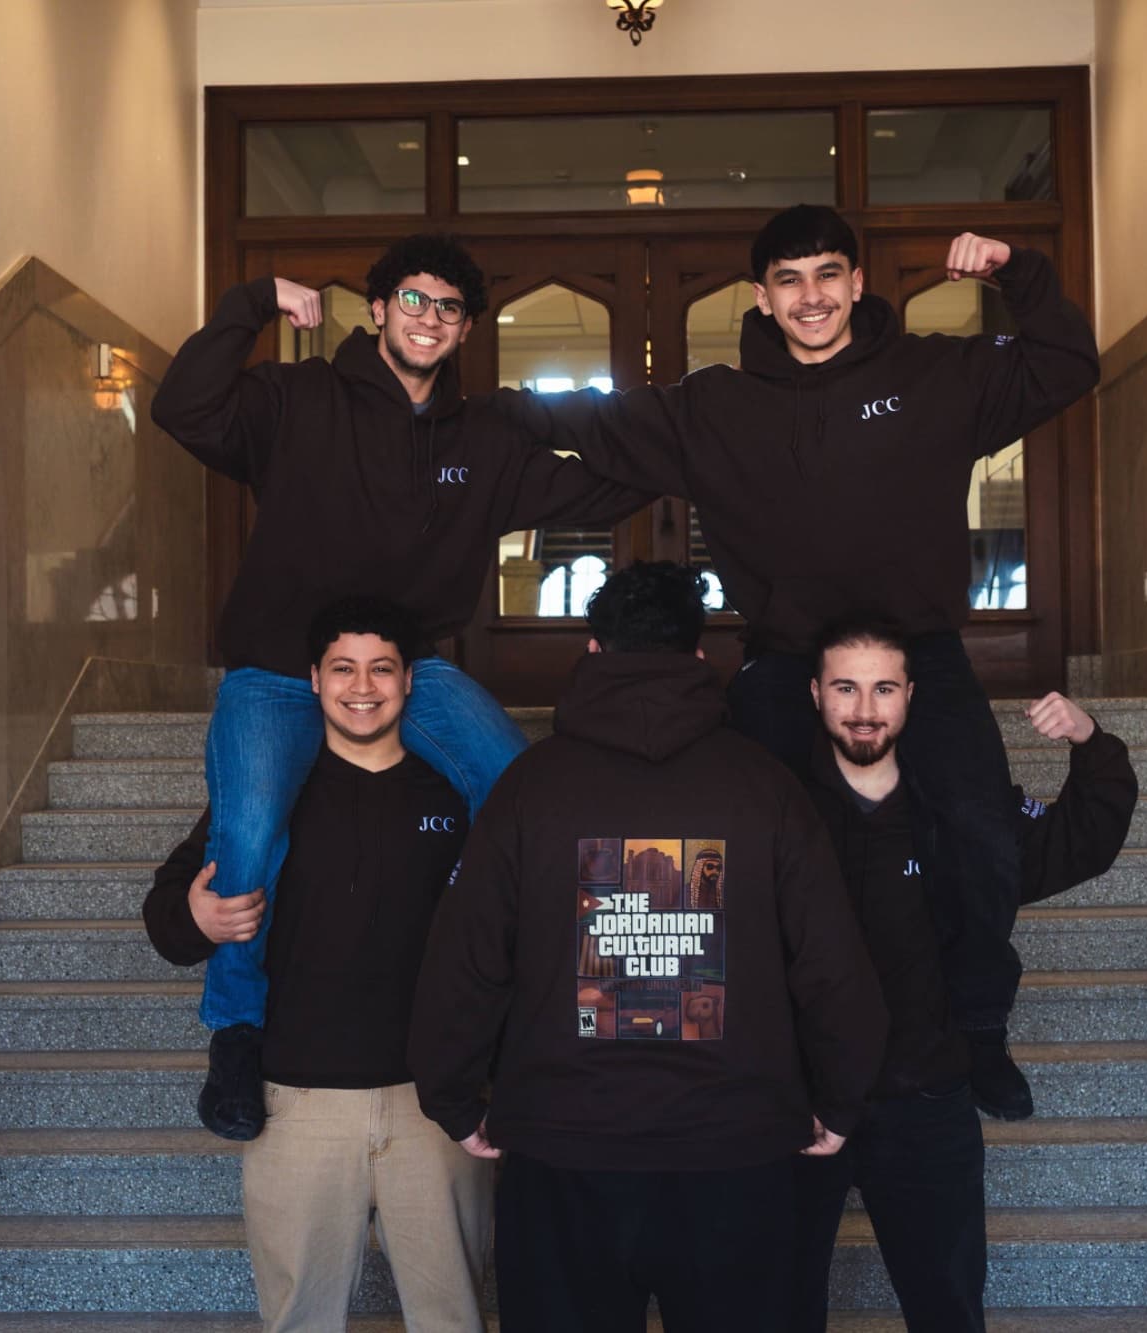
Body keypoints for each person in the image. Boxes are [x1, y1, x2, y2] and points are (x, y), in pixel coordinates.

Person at [498, 205, 1102, 1119]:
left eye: (827, 274)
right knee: (735, 849)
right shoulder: (715, 405)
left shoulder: (933, 376)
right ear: (763, 296)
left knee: (979, 833)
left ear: (857, 282)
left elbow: (1065, 364)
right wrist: (464, 409)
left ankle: (977, 1027)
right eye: (790, 279)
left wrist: (1018, 271)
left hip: (921, 659)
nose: (811, 296)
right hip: (785, 663)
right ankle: (757, 1033)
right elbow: (589, 417)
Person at [151, 233, 650, 1138]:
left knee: (521, 789)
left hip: (409, 674)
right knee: (253, 829)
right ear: (377, 310)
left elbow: (611, 490)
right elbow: (181, 405)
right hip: (275, 671)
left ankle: (527, 1002)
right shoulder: (296, 399)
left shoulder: (484, 440)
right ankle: (236, 1031)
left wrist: (547, 417)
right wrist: (253, 300)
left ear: (464, 331)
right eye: (412, 300)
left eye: (449, 308)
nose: (429, 318)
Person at [407, 562, 888, 1333]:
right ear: (702, 660)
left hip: (566, 1156)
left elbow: (466, 958)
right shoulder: (767, 788)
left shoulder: (530, 788)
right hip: (738, 1154)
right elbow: (832, 964)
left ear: (593, 650)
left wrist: (454, 1097)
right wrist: (840, 1097)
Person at [143, 597, 491, 1332]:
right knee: (300, 1321)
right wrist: (194, 918)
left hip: (435, 1105)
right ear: (312, 678)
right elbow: (169, 910)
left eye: (381, 669)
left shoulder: (451, 795)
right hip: (295, 1104)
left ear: (408, 682)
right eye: (343, 668)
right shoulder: (268, 793)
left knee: (453, 1319)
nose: (361, 687)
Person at [789, 618, 1138, 1332]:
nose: (864, 708)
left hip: (925, 1100)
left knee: (948, 1311)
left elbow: (1083, 839)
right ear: (816, 693)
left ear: (912, 695)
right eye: (846, 688)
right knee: (776, 1313)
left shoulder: (962, 817)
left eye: (884, 688)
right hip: (800, 1105)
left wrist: (1088, 738)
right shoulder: (776, 812)